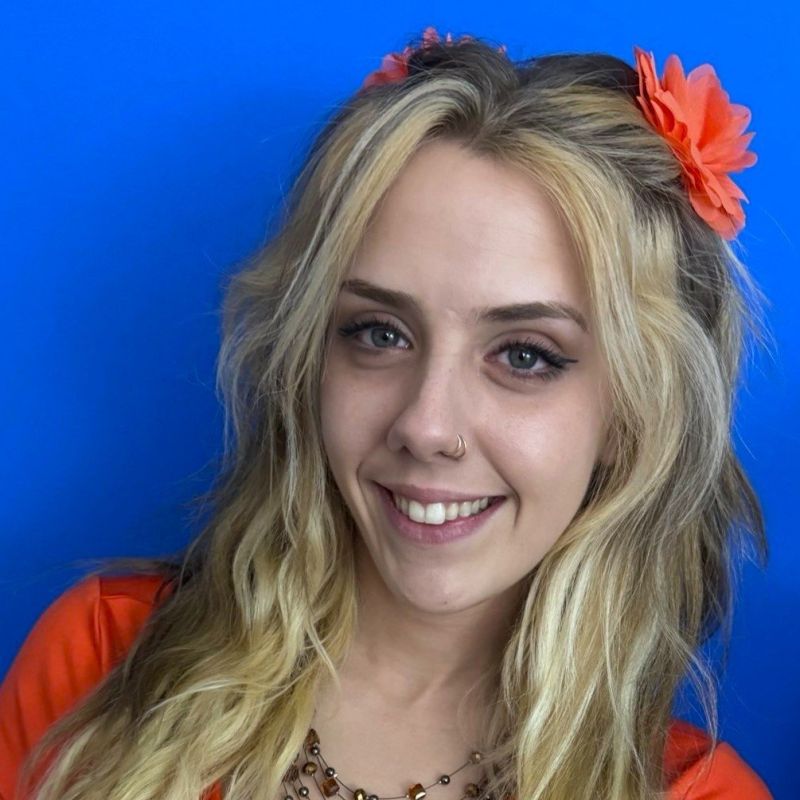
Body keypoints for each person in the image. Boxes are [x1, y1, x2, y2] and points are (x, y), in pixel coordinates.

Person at [0, 25, 774, 800]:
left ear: (635, 413)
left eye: (525, 355)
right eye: (379, 334)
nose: (426, 426)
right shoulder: (102, 665)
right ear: (310, 357)